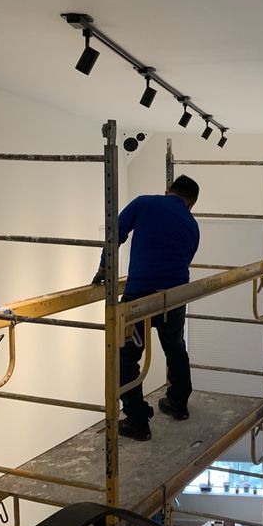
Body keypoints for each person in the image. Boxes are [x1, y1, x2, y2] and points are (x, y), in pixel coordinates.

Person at [92, 175, 200, 441]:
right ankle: (179, 404)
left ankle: (137, 420)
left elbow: (115, 234)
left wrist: (104, 269)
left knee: (126, 357)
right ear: (191, 203)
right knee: (175, 348)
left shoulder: (143, 203)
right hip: (174, 297)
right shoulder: (192, 225)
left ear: (167, 191)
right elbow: (185, 258)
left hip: (139, 298)